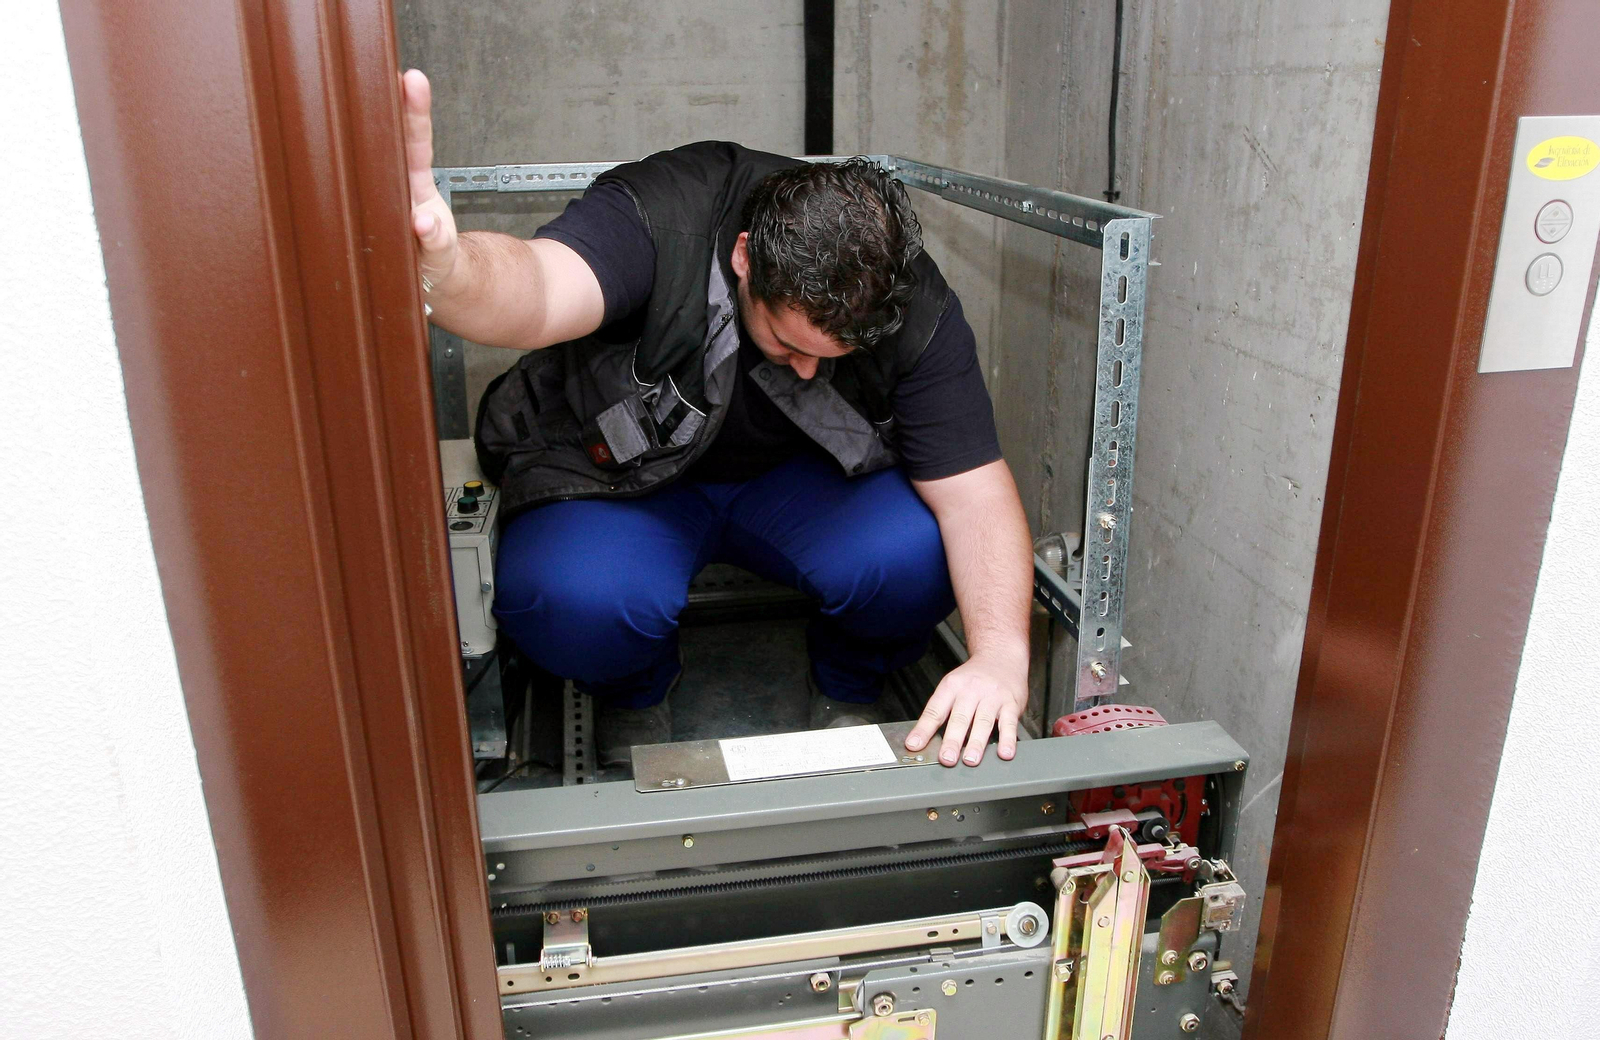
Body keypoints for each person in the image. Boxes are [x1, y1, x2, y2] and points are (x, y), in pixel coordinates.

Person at [403, 70, 1033, 770]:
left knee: (918, 556)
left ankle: (848, 680)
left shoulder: (909, 301)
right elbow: (543, 285)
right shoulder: (664, 212)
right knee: (566, 597)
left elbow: (976, 492)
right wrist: (453, 273)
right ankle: (637, 691)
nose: (803, 369)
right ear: (743, 258)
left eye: (829, 356)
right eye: (788, 343)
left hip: (799, 483)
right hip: (632, 481)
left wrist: (1002, 655)